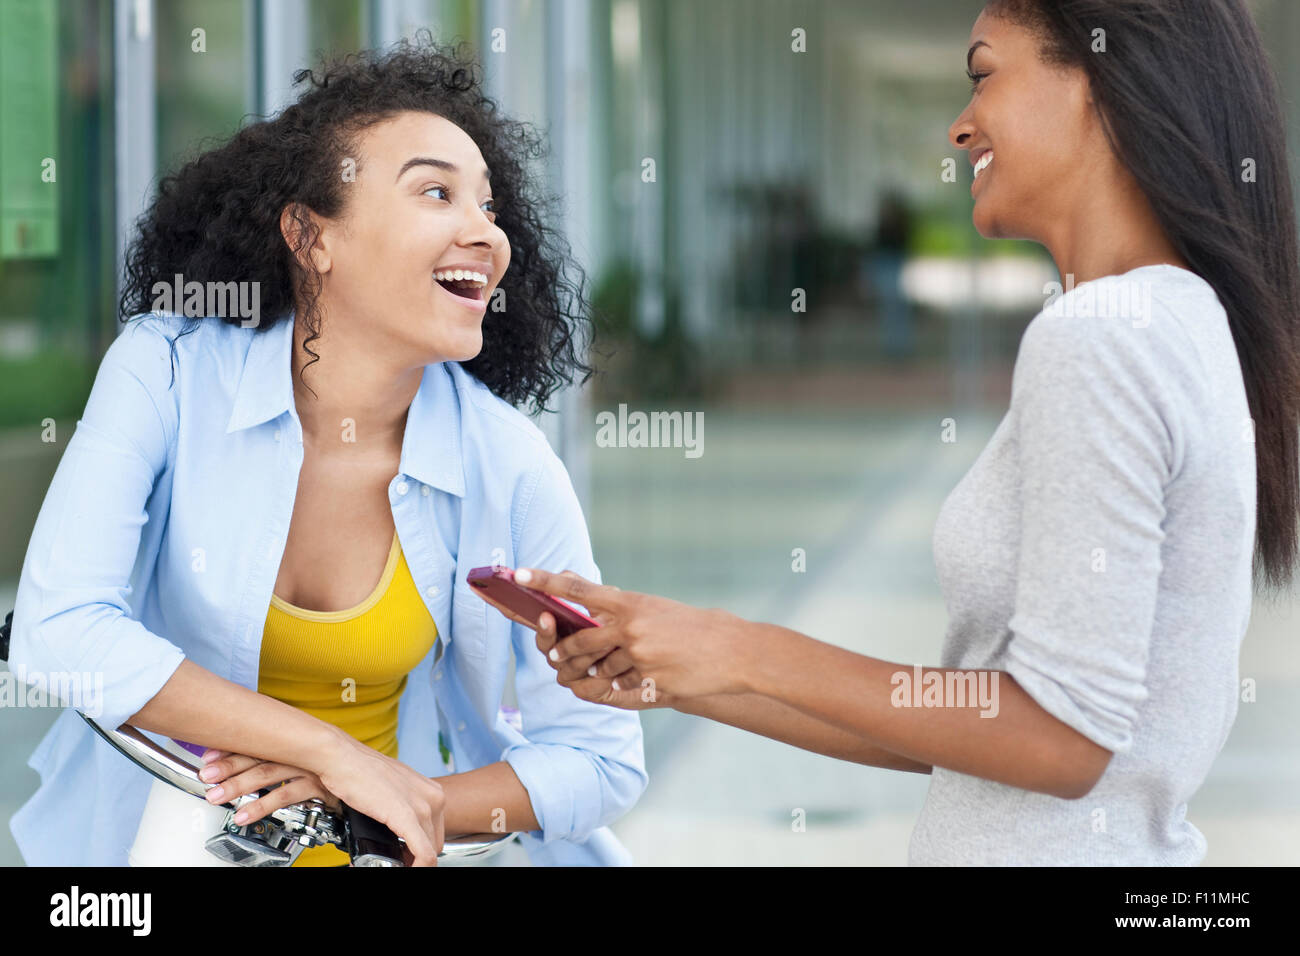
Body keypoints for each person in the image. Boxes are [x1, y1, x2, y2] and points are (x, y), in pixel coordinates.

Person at [515, 0, 1300, 865]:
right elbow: (983, 730)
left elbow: (1064, 741)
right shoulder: (1182, 318)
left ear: (1099, 81)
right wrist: (687, 670)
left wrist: (742, 649)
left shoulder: (1099, 337)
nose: (961, 128)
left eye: (983, 76)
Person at [6, 35, 646, 867]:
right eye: (436, 193)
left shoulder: (510, 463)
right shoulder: (165, 371)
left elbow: (601, 759)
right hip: (155, 850)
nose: (486, 235)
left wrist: (382, 801)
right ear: (311, 238)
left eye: (487, 206)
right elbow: (60, 629)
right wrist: (331, 752)